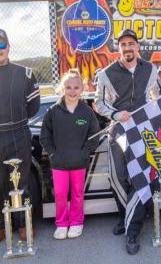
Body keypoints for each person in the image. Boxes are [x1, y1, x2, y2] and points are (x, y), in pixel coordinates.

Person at [95, 29, 161, 255]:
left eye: (131, 43)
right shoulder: (106, 74)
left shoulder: (151, 70)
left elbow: (158, 97)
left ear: (138, 46)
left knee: (140, 179)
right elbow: (99, 104)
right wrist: (115, 115)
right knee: (118, 178)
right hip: (118, 132)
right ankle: (128, 217)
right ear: (118, 48)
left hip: (142, 132)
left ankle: (131, 231)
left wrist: (151, 115)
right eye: (123, 44)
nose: (127, 48)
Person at [40, 69, 100, 240]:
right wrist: (53, 154)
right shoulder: (53, 111)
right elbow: (45, 136)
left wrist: (84, 153)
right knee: (59, 194)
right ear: (62, 88)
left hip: (79, 162)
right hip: (59, 162)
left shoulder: (87, 112)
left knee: (77, 194)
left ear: (81, 89)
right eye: (68, 87)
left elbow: (95, 135)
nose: (72, 91)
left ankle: (76, 222)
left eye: (75, 87)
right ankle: (61, 223)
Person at [0, 29, 40, 242]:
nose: (0, 50)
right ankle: (1, 226)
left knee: (20, 182)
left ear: (8, 46)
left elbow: (33, 107)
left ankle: (23, 224)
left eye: (1, 45)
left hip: (18, 133)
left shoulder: (25, 73)